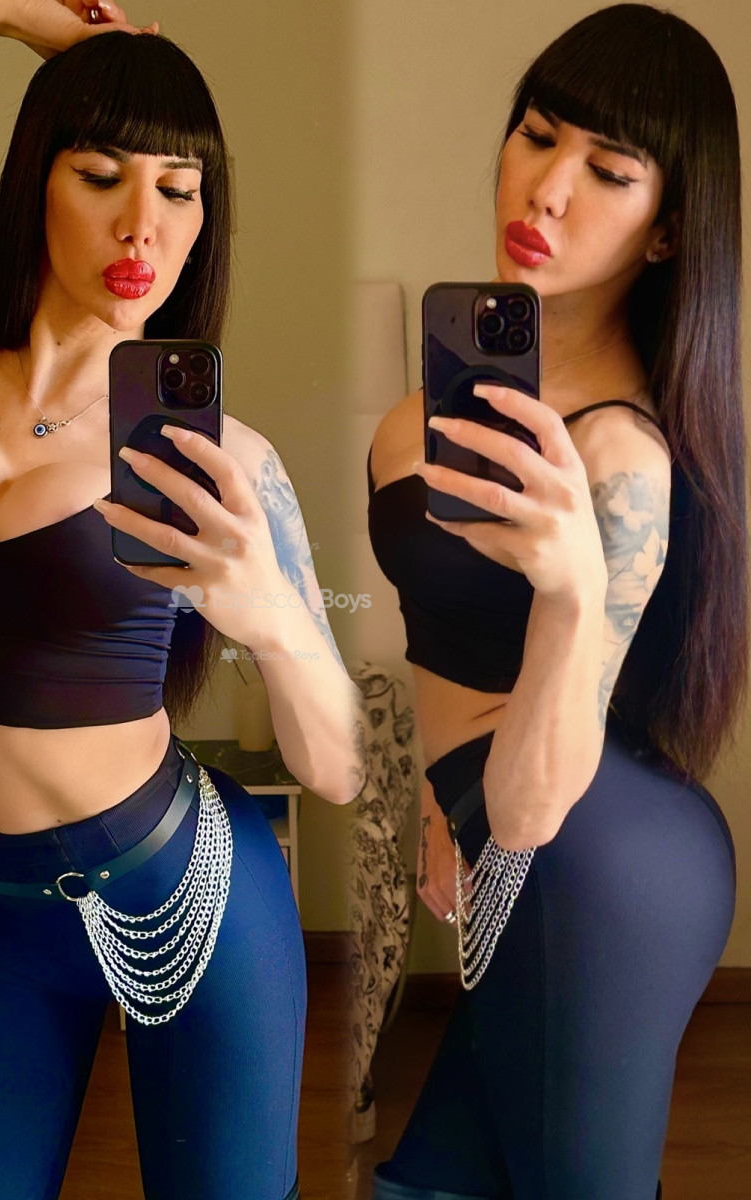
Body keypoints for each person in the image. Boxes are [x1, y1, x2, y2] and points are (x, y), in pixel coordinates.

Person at [0, 2, 363, 1197]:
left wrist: (267, 617)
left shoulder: (224, 459)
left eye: (180, 190)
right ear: (35, 180)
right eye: (102, 174)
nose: (143, 224)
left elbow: (340, 766)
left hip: (187, 890)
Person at [366, 5, 742, 1198]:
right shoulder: (442, 407)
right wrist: (442, 806)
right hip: (512, 824)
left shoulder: (620, 457)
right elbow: (452, 646)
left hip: (589, 860)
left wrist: (576, 589)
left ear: (668, 228)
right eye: (537, 135)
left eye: (609, 171)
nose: (548, 189)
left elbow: (533, 803)